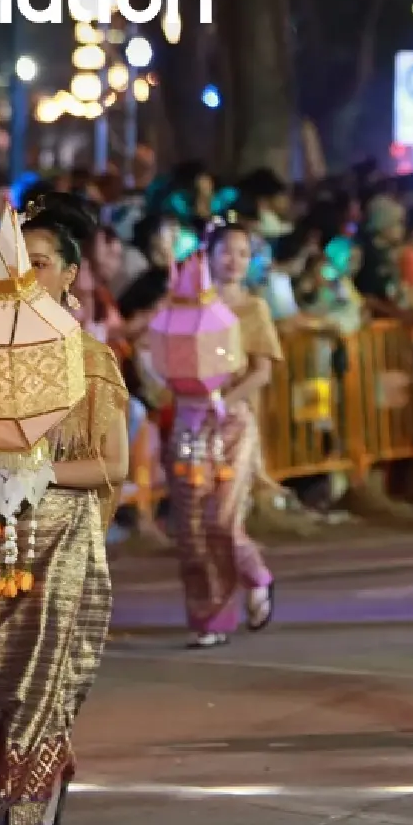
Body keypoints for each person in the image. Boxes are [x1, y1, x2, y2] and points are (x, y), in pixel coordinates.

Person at [0, 194, 128, 825]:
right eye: (18, 262)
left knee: (35, 689)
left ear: (68, 276)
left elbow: (114, 464)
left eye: (41, 263)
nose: (27, 275)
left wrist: (41, 469)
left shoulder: (90, 359)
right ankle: (31, 777)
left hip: (59, 539)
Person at [165, 223, 282, 649]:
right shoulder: (186, 302)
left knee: (222, 518)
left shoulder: (253, 309)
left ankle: (252, 575)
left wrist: (225, 400)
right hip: (189, 422)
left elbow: (263, 371)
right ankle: (209, 617)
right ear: (208, 254)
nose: (234, 260)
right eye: (227, 251)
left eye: (243, 253)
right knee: (191, 523)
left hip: (231, 423)